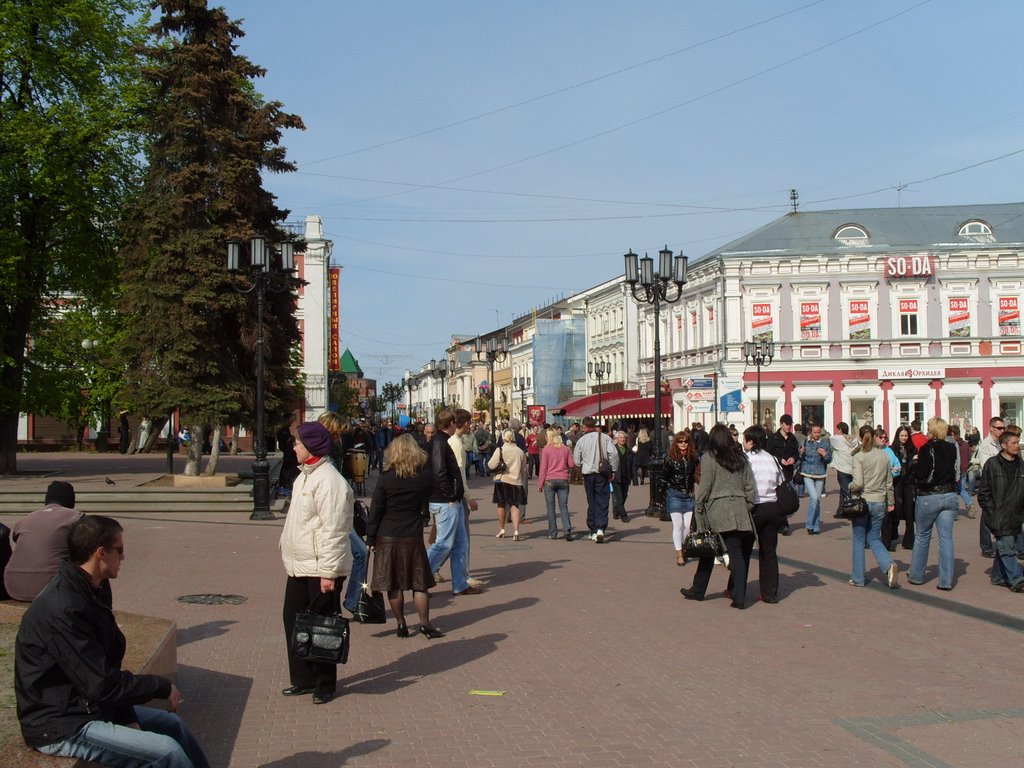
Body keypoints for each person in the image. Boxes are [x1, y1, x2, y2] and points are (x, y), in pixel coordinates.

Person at [15, 515, 210, 767]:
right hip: (61, 724)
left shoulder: (94, 588)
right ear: (100, 553)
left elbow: (106, 664)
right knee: (166, 751)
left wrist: (126, 714)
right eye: (120, 550)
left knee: (173, 725)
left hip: (90, 706)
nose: (124, 557)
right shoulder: (63, 607)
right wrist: (159, 686)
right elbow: (100, 683)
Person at [280, 421, 353, 705]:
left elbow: (335, 530)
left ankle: (325, 683)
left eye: (298, 443)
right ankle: (303, 678)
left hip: (321, 567)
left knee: (321, 627)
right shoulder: (304, 477)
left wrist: (329, 573)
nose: (294, 447)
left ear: (310, 446)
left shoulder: (329, 480)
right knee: (293, 620)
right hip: (300, 564)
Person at [367, 434, 445, 637]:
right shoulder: (423, 477)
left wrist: (370, 537)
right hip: (412, 534)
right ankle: (425, 623)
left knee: (394, 584)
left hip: (387, 534)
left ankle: (401, 623)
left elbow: (376, 509)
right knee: (419, 582)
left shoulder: (386, 478)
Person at [680, 424, 756, 609]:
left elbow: (705, 487)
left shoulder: (709, 458)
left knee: (712, 546)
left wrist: (698, 507)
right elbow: (750, 487)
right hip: (740, 509)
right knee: (730, 552)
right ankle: (700, 588)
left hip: (717, 509)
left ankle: (737, 596)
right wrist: (746, 504)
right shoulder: (741, 458)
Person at [318, 411, 369, 619]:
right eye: (337, 433)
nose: (340, 437)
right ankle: (349, 602)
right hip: (332, 514)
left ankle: (348, 601)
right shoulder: (323, 452)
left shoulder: (331, 449)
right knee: (358, 554)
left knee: (358, 554)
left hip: (340, 509)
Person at [426, 410, 480, 596]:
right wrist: (450, 494)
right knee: (443, 544)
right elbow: (440, 472)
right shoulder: (442, 442)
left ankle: (460, 584)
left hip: (450, 499)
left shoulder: (441, 441)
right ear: (450, 423)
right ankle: (420, 576)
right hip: (445, 501)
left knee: (460, 543)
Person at [5, 481, 82, 602]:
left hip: (14, 587)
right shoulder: (75, 517)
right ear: (71, 500)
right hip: (53, 587)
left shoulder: (25, 519)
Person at [908, 418, 959, 591]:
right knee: (946, 538)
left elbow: (921, 473)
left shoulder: (926, 448)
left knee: (922, 535)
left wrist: (914, 464)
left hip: (929, 495)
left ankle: (916, 575)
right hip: (950, 494)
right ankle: (945, 580)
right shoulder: (952, 447)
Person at [848, 425, 899, 589]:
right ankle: (888, 563)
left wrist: (849, 487)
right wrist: (890, 502)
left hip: (863, 501)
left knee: (858, 539)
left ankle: (858, 578)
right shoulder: (884, 456)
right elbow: (889, 483)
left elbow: (858, 483)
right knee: (874, 537)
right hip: (879, 501)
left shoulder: (860, 457)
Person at [742, 425, 787, 603]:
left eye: (745, 439)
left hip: (754, 507)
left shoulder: (746, 459)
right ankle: (769, 593)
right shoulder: (772, 459)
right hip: (772, 507)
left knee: (744, 549)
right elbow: (780, 481)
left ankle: (737, 589)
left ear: (751, 441)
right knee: (769, 552)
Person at [446, 409, 482, 587]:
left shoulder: (449, 441)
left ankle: (435, 570)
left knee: (447, 539)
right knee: (461, 539)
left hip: (448, 496)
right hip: (457, 496)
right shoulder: (457, 444)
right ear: (466, 423)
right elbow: (459, 474)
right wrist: (469, 498)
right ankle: (463, 575)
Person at [572, 415, 619, 543]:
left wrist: (583, 463)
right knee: (602, 500)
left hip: (588, 474)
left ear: (584, 426)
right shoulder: (604, 438)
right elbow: (613, 454)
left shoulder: (581, 440)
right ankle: (600, 528)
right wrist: (613, 469)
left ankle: (592, 530)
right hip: (602, 473)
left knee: (591, 501)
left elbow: (576, 460)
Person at [664, 430, 698, 567]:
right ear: (676, 443)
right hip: (675, 494)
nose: (683, 444)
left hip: (689, 495)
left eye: (685, 441)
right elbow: (663, 478)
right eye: (680, 441)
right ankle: (679, 553)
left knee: (688, 527)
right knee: (678, 525)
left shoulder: (694, 458)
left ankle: (683, 547)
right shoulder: (670, 459)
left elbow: (698, 475)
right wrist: (662, 497)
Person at [537, 427, 576, 540]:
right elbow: (572, 465)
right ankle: (567, 530)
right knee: (563, 506)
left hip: (549, 480)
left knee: (551, 508)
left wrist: (540, 484)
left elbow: (543, 468)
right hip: (563, 479)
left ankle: (553, 532)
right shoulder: (565, 449)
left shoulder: (546, 450)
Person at [489, 429, 527, 541]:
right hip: (515, 481)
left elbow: (491, 465)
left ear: (503, 437)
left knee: (501, 505)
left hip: (502, 480)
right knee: (514, 506)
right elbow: (523, 469)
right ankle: (516, 530)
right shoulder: (520, 451)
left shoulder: (500, 449)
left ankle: (502, 529)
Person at [976, 416, 1005, 558]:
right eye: (999, 428)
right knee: (987, 516)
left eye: (1003, 427)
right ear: (991, 428)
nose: (1002, 430)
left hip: (1004, 485)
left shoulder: (1002, 443)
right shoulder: (985, 446)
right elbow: (986, 467)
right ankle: (986, 546)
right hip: (990, 486)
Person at [887, 425, 917, 550]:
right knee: (896, 509)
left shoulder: (912, 449)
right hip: (896, 482)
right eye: (902, 436)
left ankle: (909, 540)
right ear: (897, 436)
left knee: (909, 511)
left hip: (909, 482)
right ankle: (892, 534)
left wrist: (915, 461)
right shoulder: (892, 449)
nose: (904, 438)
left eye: (906, 436)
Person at [799, 424, 832, 534]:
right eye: (815, 432)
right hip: (807, 472)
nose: (817, 434)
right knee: (813, 497)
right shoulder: (805, 442)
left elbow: (829, 459)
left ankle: (816, 526)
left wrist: (824, 454)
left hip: (820, 474)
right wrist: (801, 453)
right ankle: (809, 525)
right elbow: (800, 458)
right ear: (811, 432)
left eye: (819, 432)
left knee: (817, 500)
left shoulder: (825, 443)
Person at [830, 422, 859, 501]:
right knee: (844, 490)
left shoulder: (837, 439)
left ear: (840, 430)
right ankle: (841, 510)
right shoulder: (855, 439)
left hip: (842, 468)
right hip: (853, 467)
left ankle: (850, 507)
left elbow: (830, 438)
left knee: (846, 491)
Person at [611, 430, 634, 523]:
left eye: (624, 438)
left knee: (624, 495)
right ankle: (623, 516)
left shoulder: (629, 450)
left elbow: (633, 464)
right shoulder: (613, 450)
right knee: (619, 497)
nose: (623, 439)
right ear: (617, 439)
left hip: (626, 476)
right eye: (621, 438)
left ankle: (616, 511)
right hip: (616, 476)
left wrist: (634, 478)